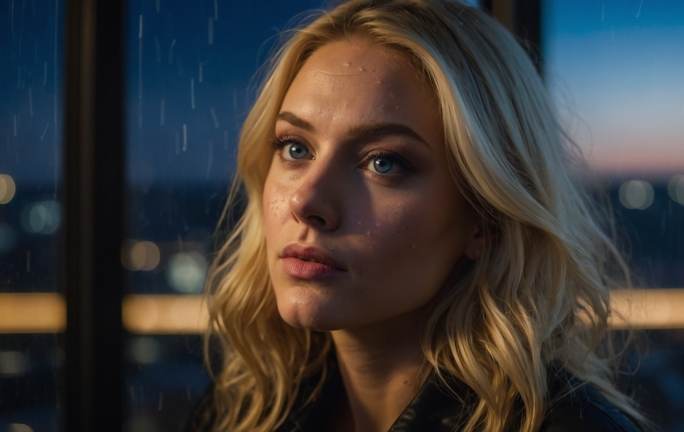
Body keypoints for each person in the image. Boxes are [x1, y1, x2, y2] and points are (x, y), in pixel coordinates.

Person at [187, 0, 649, 431]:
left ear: (484, 220)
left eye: (383, 162)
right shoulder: (240, 414)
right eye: (295, 148)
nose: (306, 202)